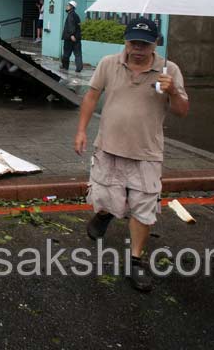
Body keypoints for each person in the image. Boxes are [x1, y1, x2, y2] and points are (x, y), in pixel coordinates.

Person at [73, 17, 190, 292]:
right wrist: (81, 131)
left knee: (144, 207)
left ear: (156, 43)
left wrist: (172, 90)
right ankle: (105, 214)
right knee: (104, 195)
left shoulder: (168, 70)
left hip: (146, 153)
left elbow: (182, 111)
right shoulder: (108, 63)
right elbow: (91, 96)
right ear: (125, 40)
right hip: (108, 147)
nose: (138, 49)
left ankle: (135, 261)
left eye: (145, 44)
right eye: (133, 42)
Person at [61, 0, 82, 73]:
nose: (66, 7)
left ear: (71, 7)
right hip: (77, 38)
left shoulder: (71, 15)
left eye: (68, 5)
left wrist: (71, 35)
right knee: (78, 54)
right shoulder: (76, 15)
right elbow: (78, 27)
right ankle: (79, 67)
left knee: (66, 53)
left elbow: (71, 26)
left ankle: (65, 66)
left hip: (70, 38)